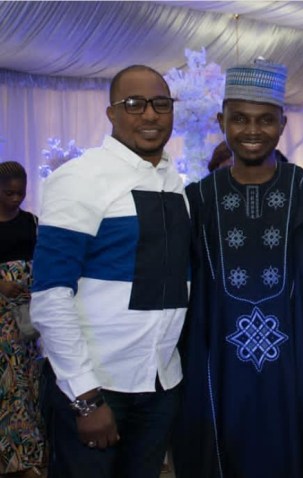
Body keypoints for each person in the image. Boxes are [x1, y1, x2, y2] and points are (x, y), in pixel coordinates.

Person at [172, 59, 303, 478]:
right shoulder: (196, 202)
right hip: (217, 372)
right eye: (239, 119)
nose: (252, 130)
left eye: (265, 119)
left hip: (299, 371)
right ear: (222, 122)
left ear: (283, 124)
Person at [30, 65, 190, 478]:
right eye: (134, 104)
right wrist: (85, 397)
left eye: (161, 103)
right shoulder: (80, 178)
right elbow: (50, 295)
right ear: (111, 113)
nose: (150, 114)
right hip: (98, 388)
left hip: (160, 385)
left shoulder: (174, 183)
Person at [0, 161, 44, 477]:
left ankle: (27, 456)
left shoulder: (31, 222)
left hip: (27, 314)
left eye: (21, 193)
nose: (16, 198)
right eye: (8, 193)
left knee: (27, 383)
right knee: (9, 384)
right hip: (3, 315)